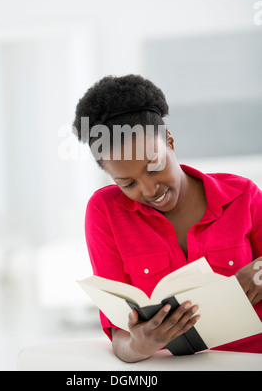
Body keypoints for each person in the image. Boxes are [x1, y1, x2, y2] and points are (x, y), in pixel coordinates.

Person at [73, 74, 262, 362]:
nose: (149, 190)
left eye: (154, 168)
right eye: (128, 184)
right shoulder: (105, 212)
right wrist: (141, 344)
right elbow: (121, 339)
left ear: (170, 142)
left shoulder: (242, 195)